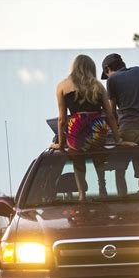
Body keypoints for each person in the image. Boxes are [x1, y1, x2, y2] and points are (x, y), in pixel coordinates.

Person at [51, 55, 121, 201]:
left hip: (76, 130)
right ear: (92, 68)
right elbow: (110, 115)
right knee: (98, 155)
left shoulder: (62, 86)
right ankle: (102, 188)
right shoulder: (98, 85)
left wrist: (61, 144)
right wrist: (117, 140)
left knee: (77, 159)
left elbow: (62, 119)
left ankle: (82, 194)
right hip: (97, 129)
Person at [101, 53, 139, 195]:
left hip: (127, 129)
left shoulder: (112, 80)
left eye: (106, 74)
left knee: (119, 170)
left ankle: (124, 203)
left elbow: (112, 112)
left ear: (108, 68)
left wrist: (115, 130)